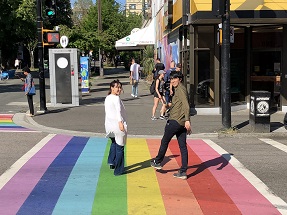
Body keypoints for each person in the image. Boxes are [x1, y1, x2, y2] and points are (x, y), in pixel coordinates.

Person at [150, 71, 191, 180]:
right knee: (183, 147)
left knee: (165, 141)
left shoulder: (181, 89)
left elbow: (186, 105)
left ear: (180, 79)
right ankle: (183, 171)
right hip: (180, 122)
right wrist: (168, 105)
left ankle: (157, 161)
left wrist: (188, 120)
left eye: (175, 79)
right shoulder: (178, 89)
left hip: (175, 121)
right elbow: (179, 103)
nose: (172, 81)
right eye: (171, 79)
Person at [105, 79, 127, 176]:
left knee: (114, 142)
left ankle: (111, 161)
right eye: (116, 87)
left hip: (109, 125)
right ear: (112, 88)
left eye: (119, 87)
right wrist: (120, 123)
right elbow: (118, 111)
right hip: (117, 125)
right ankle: (119, 170)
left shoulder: (108, 97)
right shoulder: (116, 98)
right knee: (120, 147)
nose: (118, 89)